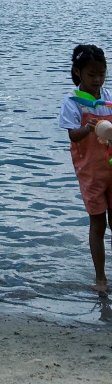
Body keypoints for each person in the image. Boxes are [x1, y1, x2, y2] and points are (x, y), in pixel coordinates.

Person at [59, 43, 112, 290]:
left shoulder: (109, 97)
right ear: (79, 73)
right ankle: (100, 277)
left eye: (102, 73)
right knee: (98, 223)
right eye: (92, 74)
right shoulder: (72, 102)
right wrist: (89, 127)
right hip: (90, 172)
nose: (98, 79)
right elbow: (73, 135)